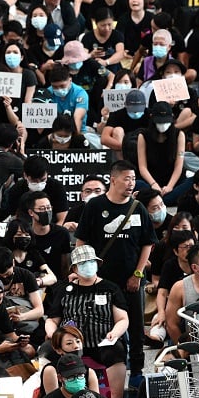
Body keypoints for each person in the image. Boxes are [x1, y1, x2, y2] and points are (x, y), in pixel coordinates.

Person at [75, 160, 157, 381]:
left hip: (132, 280)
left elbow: (148, 243)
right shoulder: (94, 206)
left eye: (133, 179)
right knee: (100, 323)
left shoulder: (138, 208)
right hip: (100, 279)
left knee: (137, 326)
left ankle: (138, 371)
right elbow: (81, 240)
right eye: (126, 178)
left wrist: (138, 274)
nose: (131, 183)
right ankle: (103, 368)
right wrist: (80, 271)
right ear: (113, 180)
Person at [44, 246, 130, 398]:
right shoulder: (65, 290)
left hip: (102, 341)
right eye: (83, 263)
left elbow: (122, 319)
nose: (88, 265)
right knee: (47, 352)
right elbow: (52, 319)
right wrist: (53, 334)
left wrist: (115, 333)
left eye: (91, 261)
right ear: (75, 268)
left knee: (117, 350)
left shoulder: (110, 288)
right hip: (71, 343)